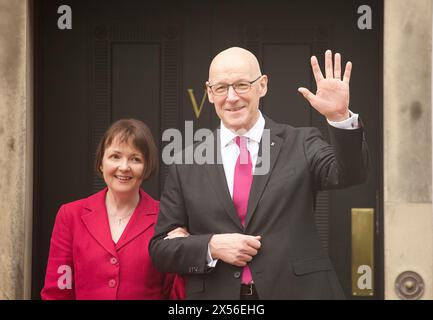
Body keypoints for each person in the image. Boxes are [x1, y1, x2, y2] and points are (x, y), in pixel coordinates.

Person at [149, 47, 369, 299]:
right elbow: (161, 251)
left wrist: (339, 117)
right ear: (209, 93)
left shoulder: (301, 142)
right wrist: (210, 246)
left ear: (262, 85)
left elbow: (351, 174)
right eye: (221, 88)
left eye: (242, 85)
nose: (231, 97)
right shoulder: (186, 162)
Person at [41, 119, 186, 300]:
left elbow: (177, 296)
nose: (124, 167)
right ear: (101, 162)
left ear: (146, 167)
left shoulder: (166, 218)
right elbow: (58, 292)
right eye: (115, 156)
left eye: (135, 159)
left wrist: (185, 257)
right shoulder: (70, 215)